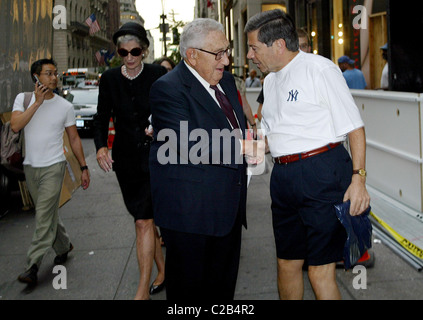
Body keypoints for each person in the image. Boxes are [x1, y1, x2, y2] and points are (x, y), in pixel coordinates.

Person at [245, 9, 370, 300]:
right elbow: (274, 138)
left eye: (254, 48)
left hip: (323, 173)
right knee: (286, 264)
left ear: (278, 44)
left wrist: (359, 180)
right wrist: (247, 146)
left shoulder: (320, 69)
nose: (250, 55)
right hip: (284, 177)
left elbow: (355, 129)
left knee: (319, 270)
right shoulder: (270, 82)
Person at [149, 18, 264, 301]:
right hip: (191, 216)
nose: (226, 59)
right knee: (189, 294)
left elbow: (234, 127)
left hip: (229, 211)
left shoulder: (225, 80)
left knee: (222, 292)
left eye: (227, 50)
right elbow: (189, 144)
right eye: (218, 53)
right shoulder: (168, 89)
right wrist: (251, 145)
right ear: (192, 55)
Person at [93, 22, 166, 300]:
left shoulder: (158, 74)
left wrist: (160, 128)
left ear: (144, 50)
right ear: (118, 53)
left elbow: (170, 111)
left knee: (143, 222)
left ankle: (142, 289)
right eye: (124, 53)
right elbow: (102, 117)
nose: (130, 57)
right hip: (126, 162)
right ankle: (163, 270)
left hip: (157, 158)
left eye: (135, 51)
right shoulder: (110, 79)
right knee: (145, 219)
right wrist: (101, 147)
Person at [12, 58, 90, 285]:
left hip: (54, 167)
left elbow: (74, 139)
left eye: (55, 73)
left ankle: (32, 266)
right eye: (49, 73)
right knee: (48, 214)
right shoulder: (23, 99)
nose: (54, 77)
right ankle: (64, 245)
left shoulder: (64, 106)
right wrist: (36, 103)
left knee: (43, 215)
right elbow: (16, 125)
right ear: (36, 77)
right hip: (30, 167)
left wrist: (84, 167)